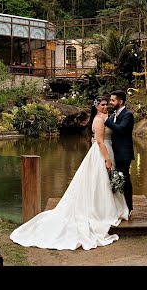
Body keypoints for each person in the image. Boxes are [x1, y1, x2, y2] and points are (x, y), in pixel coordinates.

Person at [9, 96, 129, 250]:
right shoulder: (99, 120)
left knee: (105, 182)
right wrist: (106, 159)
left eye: (107, 104)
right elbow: (99, 141)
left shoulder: (106, 117)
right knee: (99, 181)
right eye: (103, 105)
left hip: (108, 149)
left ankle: (109, 208)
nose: (106, 107)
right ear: (97, 106)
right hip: (102, 152)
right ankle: (99, 210)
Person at [104, 90, 135, 217]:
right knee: (116, 179)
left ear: (120, 101)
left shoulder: (128, 115)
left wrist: (107, 120)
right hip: (114, 152)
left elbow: (121, 129)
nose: (110, 103)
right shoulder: (114, 115)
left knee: (125, 179)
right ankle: (118, 206)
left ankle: (129, 207)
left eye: (113, 100)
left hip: (124, 153)